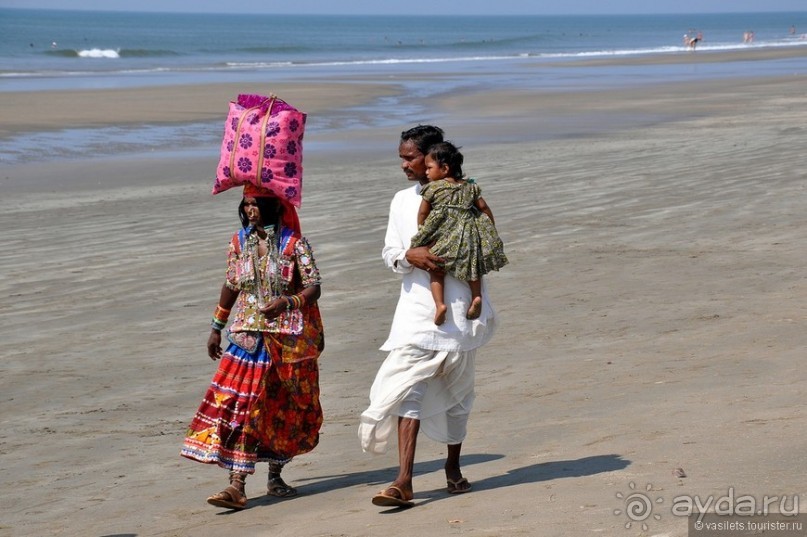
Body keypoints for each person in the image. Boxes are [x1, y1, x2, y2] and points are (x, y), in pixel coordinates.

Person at [359, 125, 498, 508]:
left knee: (458, 396)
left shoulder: (467, 193)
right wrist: (409, 256)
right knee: (408, 390)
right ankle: (403, 480)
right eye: (401, 158)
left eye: (410, 158)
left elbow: (485, 235)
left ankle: (452, 468)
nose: (403, 165)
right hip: (417, 312)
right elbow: (390, 252)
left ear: (433, 158)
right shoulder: (402, 200)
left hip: (461, 311)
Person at [181, 183, 325, 510]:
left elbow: (314, 287)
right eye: (246, 205)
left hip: (285, 341)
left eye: (256, 205)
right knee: (242, 407)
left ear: (272, 207)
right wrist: (216, 327)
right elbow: (232, 284)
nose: (250, 211)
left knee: (282, 408)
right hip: (247, 338)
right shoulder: (238, 242)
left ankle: (275, 475)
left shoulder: (294, 243)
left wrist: (288, 301)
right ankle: (237, 484)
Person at [410, 141, 507, 325]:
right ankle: (476, 296)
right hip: (467, 235)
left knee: (436, 270)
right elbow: (484, 207)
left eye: (429, 168)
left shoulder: (432, 188)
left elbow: (423, 212)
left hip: (443, 236)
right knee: (473, 268)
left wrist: (422, 231)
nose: (427, 172)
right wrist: (490, 228)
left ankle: (440, 305)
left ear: (444, 168)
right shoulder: (470, 186)